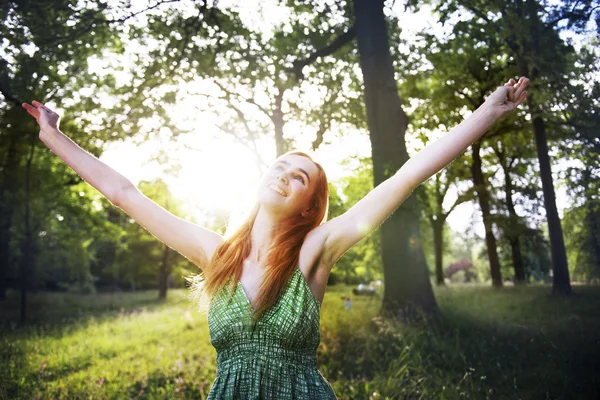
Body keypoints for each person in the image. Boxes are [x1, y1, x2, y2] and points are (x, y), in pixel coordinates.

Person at [22, 76, 528, 399]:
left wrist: (488, 111)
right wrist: (52, 134)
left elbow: (404, 178)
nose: (284, 174)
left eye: (299, 177)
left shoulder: (315, 251)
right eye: (280, 166)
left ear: (309, 204)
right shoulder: (214, 253)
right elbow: (124, 193)